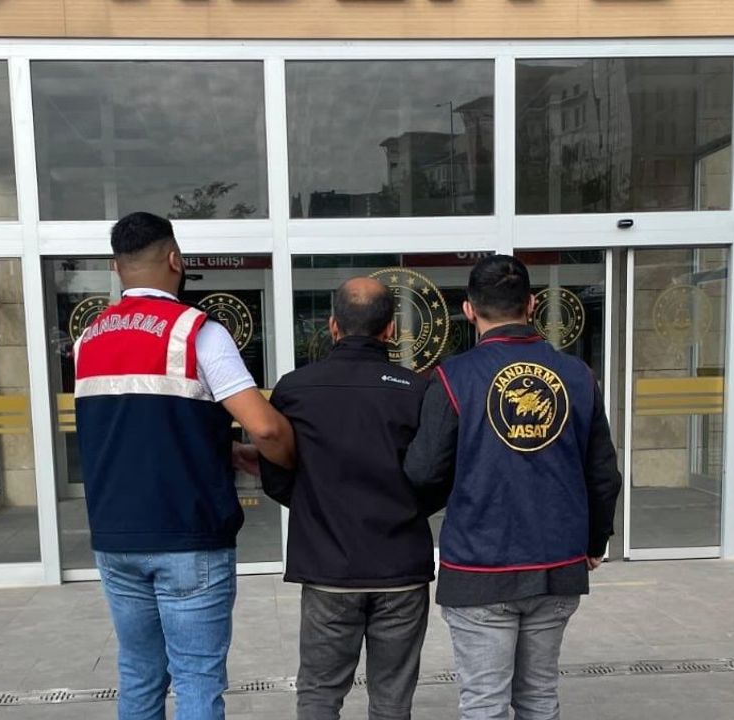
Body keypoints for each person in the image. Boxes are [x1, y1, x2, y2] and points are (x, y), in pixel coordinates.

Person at [73, 211, 295, 720]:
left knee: (138, 673)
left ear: (116, 268)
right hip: (189, 539)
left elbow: (136, 427)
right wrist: (290, 464)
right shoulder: (197, 333)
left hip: (115, 539)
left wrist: (216, 449)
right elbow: (265, 428)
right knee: (196, 677)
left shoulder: (88, 341)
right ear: (175, 260)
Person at [404, 255, 622, 720]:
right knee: (539, 697)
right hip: (557, 563)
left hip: (479, 566)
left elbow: (424, 471)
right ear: (532, 304)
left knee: (484, 704)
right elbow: (603, 472)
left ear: (468, 310)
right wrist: (594, 542)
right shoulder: (577, 376)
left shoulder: (454, 377)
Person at [259, 277, 447, 720]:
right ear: (390, 330)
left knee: (319, 695)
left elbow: (276, 477)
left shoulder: (294, 389)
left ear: (332, 326)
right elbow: (436, 475)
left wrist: (316, 505)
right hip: (400, 570)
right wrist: (405, 511)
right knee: (392, 701)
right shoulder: (417, 391)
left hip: (328, 569)